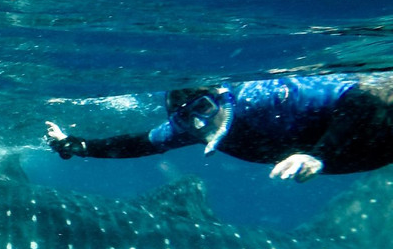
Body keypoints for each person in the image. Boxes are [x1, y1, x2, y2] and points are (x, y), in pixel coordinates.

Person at [45, 72, 393, 181]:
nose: (198, 122)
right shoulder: (189, 127)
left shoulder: (262, 100)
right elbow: (139, 143)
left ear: (222, 97)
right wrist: (78, 145)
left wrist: (319, 157)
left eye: (203, 107)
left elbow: (364, 96)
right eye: (184, 117)